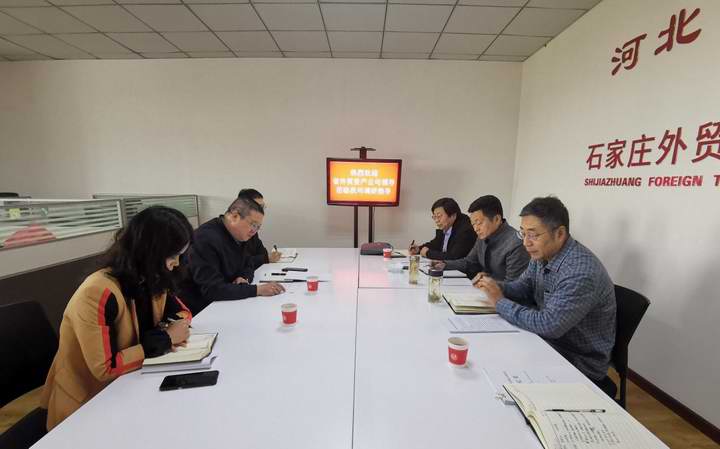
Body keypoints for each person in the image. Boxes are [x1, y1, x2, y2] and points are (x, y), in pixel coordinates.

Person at [41, 206, 194, 430]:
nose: (177, 263)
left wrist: (167, 329)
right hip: (88, 404)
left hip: (131, 386)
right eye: (172, 256)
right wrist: (165, 338)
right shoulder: (97, 293)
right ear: (149, 253)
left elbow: (183, 313)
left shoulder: (150, 278)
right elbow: (105, 368)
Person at [474, 197, 617, 397]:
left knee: (497, 376)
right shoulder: (542, 255)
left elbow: (548, 325)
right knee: (486, 357)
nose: (526, 243)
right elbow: (523, 288)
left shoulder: (580, 272)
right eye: (523, 233)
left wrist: (500, 302)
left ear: (560, 233)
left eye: (533, 235)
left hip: (576, 360)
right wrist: (495, 286)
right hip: (546, 343)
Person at [180, 196, 285, 315]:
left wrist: (244, 278)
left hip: (227, 302)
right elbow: (212, 289)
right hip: (200, 311)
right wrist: (257, 290)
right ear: (234, 216)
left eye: (258, 227)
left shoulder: (239, 235)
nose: (254, 231)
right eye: (253, 224)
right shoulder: (205, 239)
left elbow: (248, 264)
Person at [439, 195, 529, 281]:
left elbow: (514, 285)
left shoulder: (516, 244)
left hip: (500, 291)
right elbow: (469, 263)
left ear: (497, 219)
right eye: (473, 224)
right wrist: (443, 264)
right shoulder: (482, 236)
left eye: (479, 223)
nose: (476, 229)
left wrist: (487, 283)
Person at [408, 197, 475, 260]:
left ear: (453, 215)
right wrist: (419, 249)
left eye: (439, 216)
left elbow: (454, 257)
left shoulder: (466, 230)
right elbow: (436, 244)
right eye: (434, 217)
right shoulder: (447, 226)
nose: (436, 220)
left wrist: (428, 253)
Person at [237, 188, 281, 267]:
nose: (262, 211)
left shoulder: (253, 227)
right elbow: (239, 263)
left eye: (262, 207)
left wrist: (266, 257)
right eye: (258, 207)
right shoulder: (235, 230)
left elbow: (262, 252)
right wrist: (266, 258)